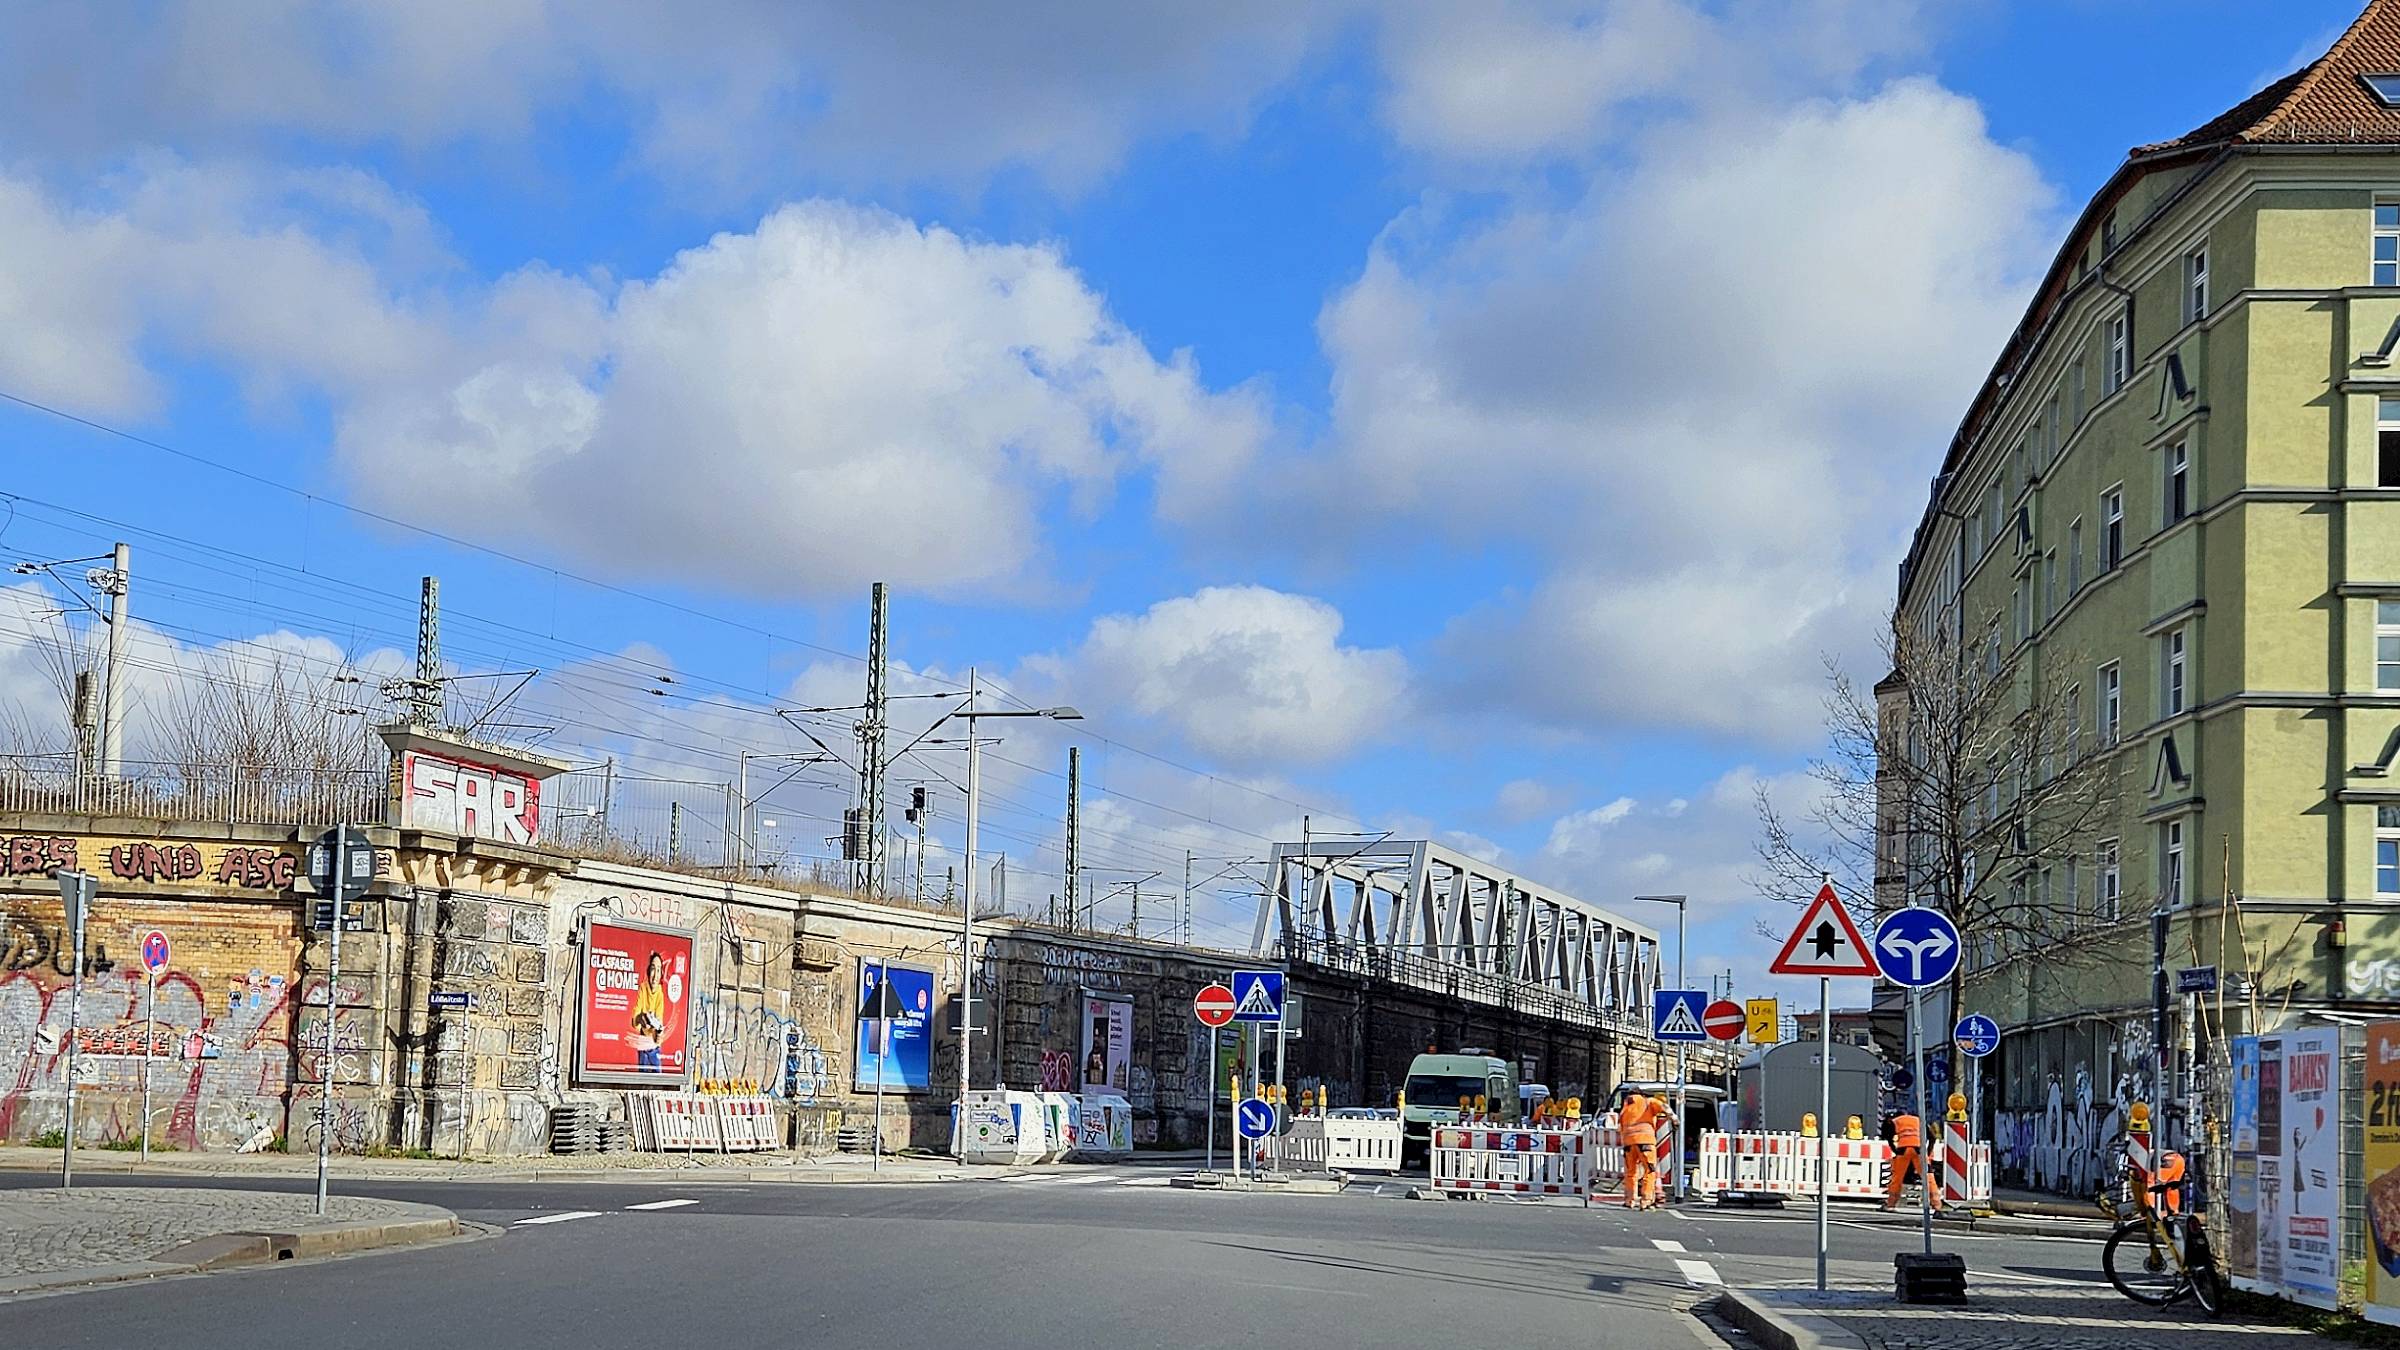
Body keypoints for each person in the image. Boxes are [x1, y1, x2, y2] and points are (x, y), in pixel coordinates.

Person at [1883, 1109, 1938, 1211]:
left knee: (1897, 1178)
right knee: (1928, 1177)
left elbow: (1889, 1139)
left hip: (1903, 1149)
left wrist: (1896, 1151)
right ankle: (1937, 1205)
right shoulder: (1918, 1120)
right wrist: (1927, 1152)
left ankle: (1890, 1204)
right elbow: (1933, 1137)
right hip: (1919, 1149)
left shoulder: (1895, 1121)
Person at [630, 951, 668, 1072]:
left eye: (658, 970)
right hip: (643, 1042)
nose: (655, 975)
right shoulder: (643, 988)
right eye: (653, 969)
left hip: (653, 1045)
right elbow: (635, 1018)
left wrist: (658, 1033)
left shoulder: (660, 994)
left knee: (657, 1079)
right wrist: (640, 1018)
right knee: (642, 1081)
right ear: (648, 971)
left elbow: (659, 1022)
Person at [1620, 1094, 1659, 1210]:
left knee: (1631, 1173)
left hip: (1629, 1144)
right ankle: (1646, 1201)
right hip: (1646, 1142)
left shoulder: (1626, 1107)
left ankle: (1629, 1200)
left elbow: (1620, 1125)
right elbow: (1665, 1108)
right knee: (1649, 1170)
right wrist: (1675, 1120)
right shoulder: (1648, 1102)